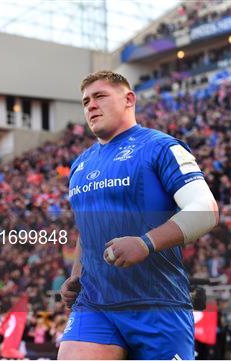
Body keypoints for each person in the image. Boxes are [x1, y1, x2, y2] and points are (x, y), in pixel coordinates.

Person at [58, 71, 218, 359]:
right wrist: (76, 276)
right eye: (85, 101)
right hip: (95, 305)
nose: (91, 106)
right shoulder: (79, 165)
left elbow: (205, 209)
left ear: (129, 99)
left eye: (100, 96)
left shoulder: (161, 147)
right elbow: (89, 229)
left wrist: (145, 243)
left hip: (158, 305)